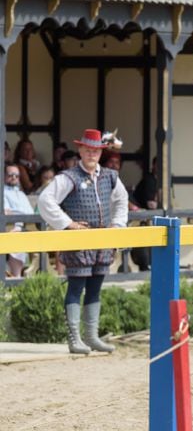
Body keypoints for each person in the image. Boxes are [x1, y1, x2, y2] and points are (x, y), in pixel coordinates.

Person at [38, 129, 128, 354]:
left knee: (95, 288)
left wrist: (117, 226)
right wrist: (68, 224)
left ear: (100, 152)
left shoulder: (110, 176)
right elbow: (45, 201)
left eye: (95, 150)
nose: (91, 154)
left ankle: (92, 336)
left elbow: (122, 200)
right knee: (76, 287)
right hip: (79, 243)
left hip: (102, 242)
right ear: (80, 150)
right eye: (88, 150)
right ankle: (74, 339)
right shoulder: (68, 177)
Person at [4, 164, 34, 277]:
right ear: (4, 176)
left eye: (17, 175)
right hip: (12, 226)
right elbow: (6, 212)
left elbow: (30, 213)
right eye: (11, 175)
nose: (14, 178)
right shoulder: (3, 192)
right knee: (16, 236)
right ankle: (16, 277)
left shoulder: (21, 194)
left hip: (28, 226)